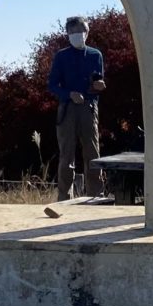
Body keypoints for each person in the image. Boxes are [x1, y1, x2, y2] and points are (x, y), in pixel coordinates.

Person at [48, 15, 106, 200]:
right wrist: (69, 94)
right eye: (74, 32)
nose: (79, 35)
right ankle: (64, 197)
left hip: (89, 107)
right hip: (68, 109)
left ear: (87, 32)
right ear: (67, 34)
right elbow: (52, 85)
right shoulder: (61, 56)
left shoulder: (95, 55)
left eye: (82, 31)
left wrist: (99, 86)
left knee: (93, 153)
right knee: (67, 155)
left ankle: (96, 195)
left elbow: (97, 81)